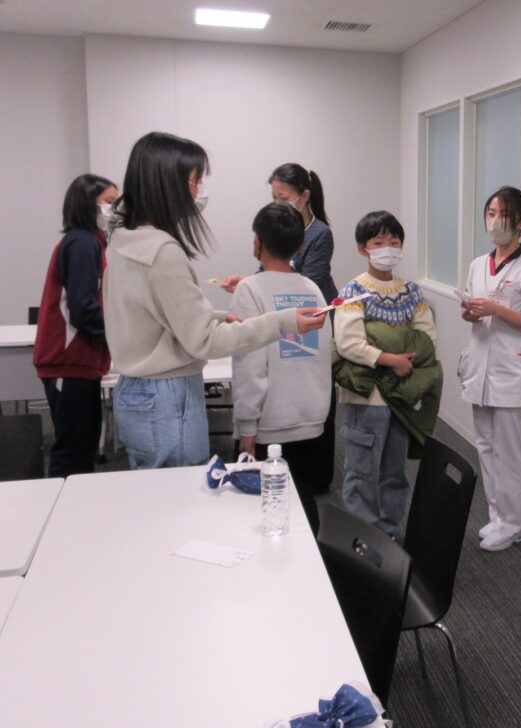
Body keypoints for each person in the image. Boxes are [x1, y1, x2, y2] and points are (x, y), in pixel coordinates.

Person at [103, 131, 326, 470]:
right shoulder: (162, 252)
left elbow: (159, 315)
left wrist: (219, 317)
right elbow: (204, 341)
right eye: (195, 181)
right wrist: (284, 321)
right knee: (180, 488)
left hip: (140, 393)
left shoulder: (125, 239)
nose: (199, 191)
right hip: (167, 397)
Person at [229, 202, 333, 535]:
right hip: (311, 419)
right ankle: (313, 561)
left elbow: (249, 364)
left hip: (269, 425)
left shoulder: (250, 290)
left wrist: (246, 426)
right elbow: (323, 355)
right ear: (300, 247)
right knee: (304, 502)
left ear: (257, 241)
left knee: (265, 507)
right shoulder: (312, 289)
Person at [334, 210, 436, 538]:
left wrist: (384, 346)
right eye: (378, 242)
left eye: (394, 241)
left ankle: (389, 534)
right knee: (361, 472)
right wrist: (392, 358)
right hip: (367, 398)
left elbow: (426, 339)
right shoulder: (353, 291)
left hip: (401, 396)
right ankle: (362, 541)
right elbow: (349, 343)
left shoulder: (412, 291)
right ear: (363, 248)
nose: (387, 248)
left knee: (394, 472)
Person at [459, 186, 521, 552]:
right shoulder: (478, 264)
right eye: (491, 213)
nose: (496, 221)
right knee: (485, 444)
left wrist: (496, 309)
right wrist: (469, 312)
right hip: (479, 364)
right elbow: (473, 309)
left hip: (513, 369)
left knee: (508, 451)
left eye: (505, 214)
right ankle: (497, 516)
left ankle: (513, 525)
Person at [33, 174, 118, 477]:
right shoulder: (82, 243)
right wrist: (119, 337)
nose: (115, 209)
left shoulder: (90, 242)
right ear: (87, 203)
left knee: (82, 447)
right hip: (68, 361)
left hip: (78, 363)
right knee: (73, 451)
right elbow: (82, 309)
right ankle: (62, 505)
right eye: (109, 202)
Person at [220, 163, 337, 301]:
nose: (278, 204)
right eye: (274, 197)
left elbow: (309, 283)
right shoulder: (275, 227)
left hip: (314, 305)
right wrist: (247, 282)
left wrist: (256, 286)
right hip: (285, 303)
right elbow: (268, 269)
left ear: (305, 196)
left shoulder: (320, 234)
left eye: (284, 198)